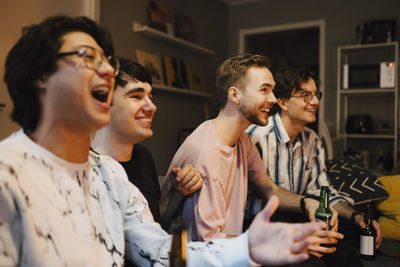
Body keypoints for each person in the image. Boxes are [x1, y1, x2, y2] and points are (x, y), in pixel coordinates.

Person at [0, 15, 323, 266]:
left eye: (107, 62)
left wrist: (245, 248)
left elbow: (159, 250)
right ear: (40, 77)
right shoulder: (7, 174)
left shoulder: (110, 175)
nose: (105, 71)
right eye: (87, 57)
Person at [160, 54, 336, 243]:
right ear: (235, 95)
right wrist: (282, 243)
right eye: (264, 90)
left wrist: (306, 203)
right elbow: (210, 242)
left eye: (273, 90)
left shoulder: (242, 140)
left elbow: (270, 189)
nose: (274, 99)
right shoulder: (207, 153)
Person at [246, 66, 378, 265]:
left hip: (302, 217)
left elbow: (322, 190)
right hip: (262, 224)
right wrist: (305, 207)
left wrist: (356, 217)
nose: (315, 102)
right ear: (282, 102)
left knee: (348, 254)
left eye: (316, 95)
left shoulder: (311, 139)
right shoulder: (257, 136)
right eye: (306, 95)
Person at [92, 58, 203, 224]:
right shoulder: (86, 165)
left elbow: (152, 227)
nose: (151, 107)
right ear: (105, 101)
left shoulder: (143, 157)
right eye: (136, 96)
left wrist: (177, 193)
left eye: (150, 97)